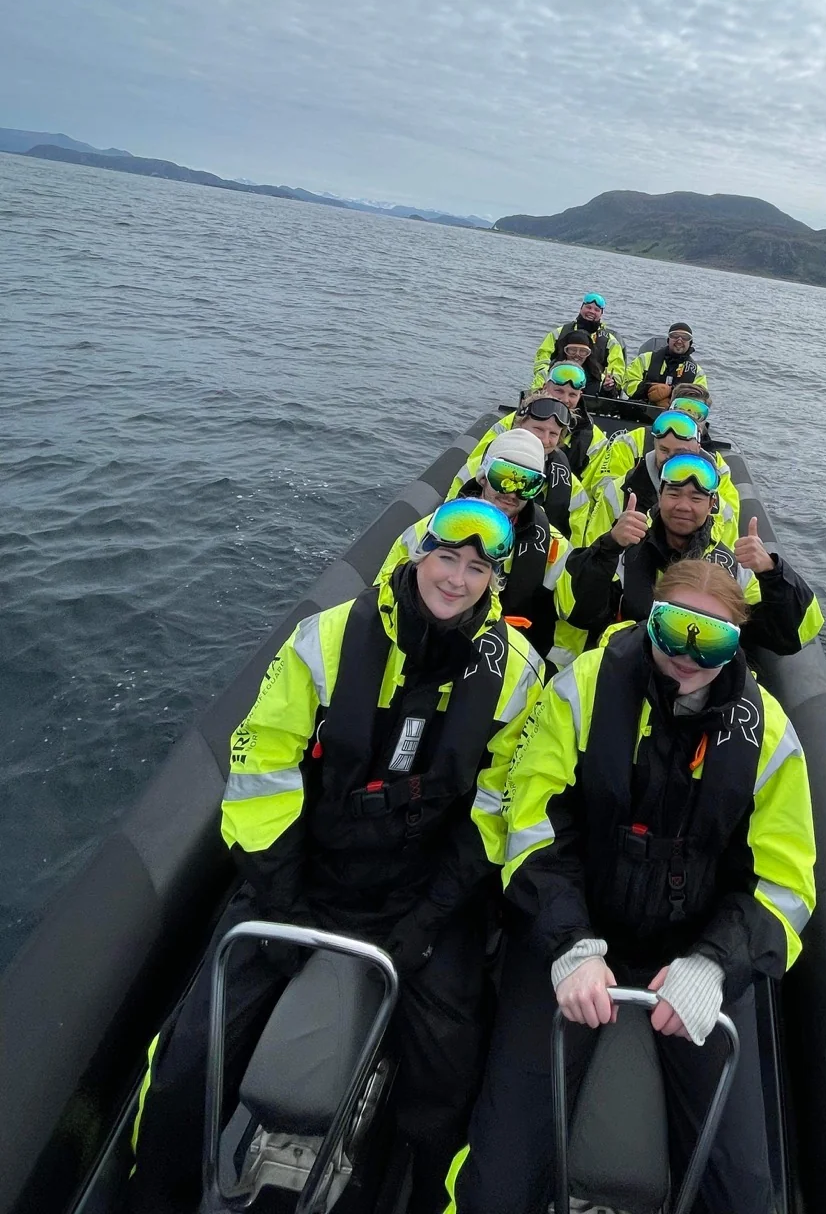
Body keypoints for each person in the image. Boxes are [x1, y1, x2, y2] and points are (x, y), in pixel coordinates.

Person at [128, 500, 543, 1214]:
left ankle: (410, 1191)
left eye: (478, 568)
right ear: (417, 557)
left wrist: (434, 913)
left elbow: (499, 807)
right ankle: (149, 1195)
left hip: (422, 899)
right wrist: (284, 897)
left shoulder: (517, 675)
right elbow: (263, 767)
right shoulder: (322, 642)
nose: (457, 578)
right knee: (192, 1054)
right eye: (447, 558)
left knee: (451, 1068)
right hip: (305, 879)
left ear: (494, 582)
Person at [453, 559, 816, 1214]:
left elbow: (783, 882)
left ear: (737, 641)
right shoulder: (582, 689)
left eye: (710, 640)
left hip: (693, 961)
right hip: (572, 942)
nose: (685, 655)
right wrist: (569, 943)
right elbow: (532, 820)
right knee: (497, 1182)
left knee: (742, 1193)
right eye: (672, 630)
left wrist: (712, 965)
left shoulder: (771, 738)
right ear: (649, 619)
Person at [557, 452, 824, 654]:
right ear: (659, 496)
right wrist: (607, 547)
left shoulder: (732, 565)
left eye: (696, 498)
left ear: (712, 505)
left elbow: (792, 636)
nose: (683, 506)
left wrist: (772, 573)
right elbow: (577, 612)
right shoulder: (624, 550)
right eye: (674, 494)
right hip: (629, 670)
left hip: (702, 679)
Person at [380, 431, 571, 662]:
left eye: (527, 484)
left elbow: (574, 614)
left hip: (500, 659)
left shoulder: (555, 546)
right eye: (503, 478)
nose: (512, 492)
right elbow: (386, 590)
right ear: (483, 476)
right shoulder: (428, 529)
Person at [587, 409, 742, 547]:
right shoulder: (619, 491)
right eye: (664, 450)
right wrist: (612, 541)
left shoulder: (720, 506)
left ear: (697, 448)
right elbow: (590, 549)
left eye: (680, 451)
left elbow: (727, 557)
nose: (671, 458)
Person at [449, 398, 590, 547]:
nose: (544, 439)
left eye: (553, 434)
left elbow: (574, 546)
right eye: (538, 429)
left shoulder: (573, 489)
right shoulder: (474, 467)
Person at [532, 294, 625, 395]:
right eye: (588, 307)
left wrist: (607, 383)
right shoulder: (559, 333)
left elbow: (617, 370)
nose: (592, 311)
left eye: (596, 310)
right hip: (558, 380)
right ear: (581, 309)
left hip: (593, 388)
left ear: (601, 314)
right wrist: (547, 379)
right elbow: (542, 360)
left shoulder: (610, 341)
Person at [539, 360, 609, 479]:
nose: (565, 400)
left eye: (572, 395)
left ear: (580, 396)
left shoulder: (594, 438)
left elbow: (595, 484)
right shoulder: (518, 419)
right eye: (559, 391)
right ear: (545, 387)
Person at [625, 322, 707, 404]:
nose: (679, 341)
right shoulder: (645, 359)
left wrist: (672, 392)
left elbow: (701, 399)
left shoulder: (697, 372)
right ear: (668, 340)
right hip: (641, 409)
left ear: (690, 343)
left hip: (677, 414)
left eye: (685, 337)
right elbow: (627, 382)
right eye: (675, 336)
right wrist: (648, 389)